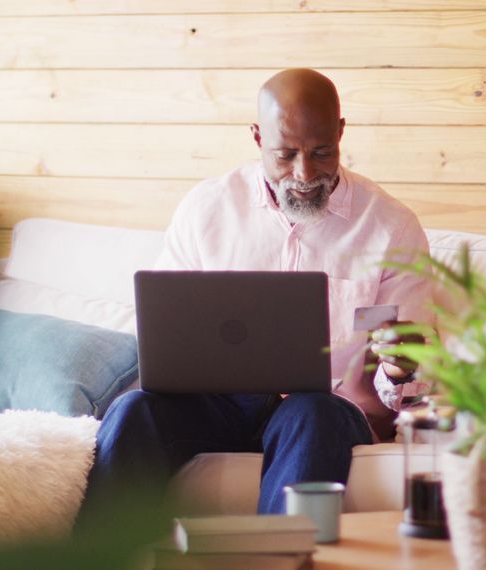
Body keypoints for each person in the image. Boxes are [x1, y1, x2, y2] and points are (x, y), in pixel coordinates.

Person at [77, 69, 433, 522]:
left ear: (341, 133)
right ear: (257, 137)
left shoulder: (391, 227)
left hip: (322, 411)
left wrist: (402, 367)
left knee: (313, 412)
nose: (304, 173)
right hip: (218, 405)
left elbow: (410, 391)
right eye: (285, 155)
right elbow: (166, 333)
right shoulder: (206, 209)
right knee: (134, 409)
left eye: (322, 152)